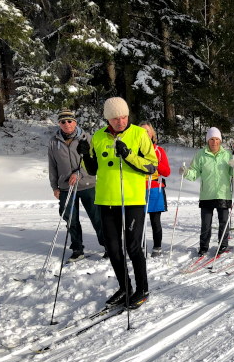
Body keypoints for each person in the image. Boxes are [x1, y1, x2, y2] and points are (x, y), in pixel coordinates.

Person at [79, 97, 157, 309]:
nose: (120, 121)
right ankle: (125, 287)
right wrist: (85, 155)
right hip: (106, 199)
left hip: (132, 199)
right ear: (107, 119)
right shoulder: (98, 136)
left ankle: (142, 288)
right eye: (115, 118)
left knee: (133, 246)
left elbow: (152, 166)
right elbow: (94, 169)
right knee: (113, 248)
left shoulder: (139, 134)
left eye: (123, 117)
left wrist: (129, 155)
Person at [48, 109, 105, 262]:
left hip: (88, 184)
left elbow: (94, 162)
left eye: (69, 121)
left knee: (97, 217)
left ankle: (107, 246)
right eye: (63, 121)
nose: (66, 124)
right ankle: (77, 249)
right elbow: (52, 165)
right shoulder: (54, 141)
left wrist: (80, 173)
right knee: (70, 219)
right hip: (66, 186)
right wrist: (55, 186)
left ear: (75, 122)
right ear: (59, 123)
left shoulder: (87, 138)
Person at [181, 127, 234, 256]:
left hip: (223, 194)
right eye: (211, 139)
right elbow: (194, 172)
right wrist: (186, 172)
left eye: (217, 139)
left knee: (224, 222)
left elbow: (233, 174)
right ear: (208, 140)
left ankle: (223, 245)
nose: (214, 142)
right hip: (206, 195)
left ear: (220, 141)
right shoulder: (201, 154)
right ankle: (204, 246)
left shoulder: (227, 154)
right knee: (206, 223)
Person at [139, 122, 170, 257]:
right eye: (142, 131)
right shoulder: (134, 150)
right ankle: (139, 245)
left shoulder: (159, 151)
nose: (145, 134)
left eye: (147, 131)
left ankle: (157, 246)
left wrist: (155, 163)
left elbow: (167, 172)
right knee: (138, 220)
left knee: (155, 221)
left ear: (152, 134)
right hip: (138, 188)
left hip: (155, 188)